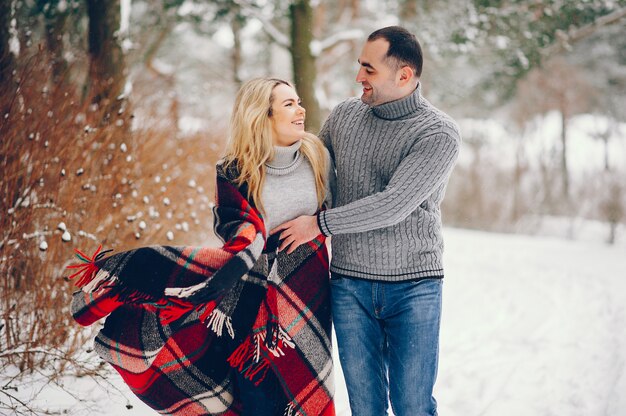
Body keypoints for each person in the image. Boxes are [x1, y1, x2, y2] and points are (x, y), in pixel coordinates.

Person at [69, 78, 335, 416]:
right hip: (247, 302)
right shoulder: (234, 171)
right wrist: (248, 245)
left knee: (304, 394)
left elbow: (334, 214)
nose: (301, 110)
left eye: (298, 102)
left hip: (307, 295)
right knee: (257, 400)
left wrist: (316, 225)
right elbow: (231, 228)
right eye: (289, 104)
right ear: (262, 116)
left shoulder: (318, 158)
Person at [271, 27, 461, 416]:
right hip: (350, 286)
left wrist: (319, 224)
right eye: (360, 65)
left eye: (369, 69)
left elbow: (393, 204)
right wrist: (243, 181)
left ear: (403, 75)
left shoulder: (438, 133)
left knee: (411, 405)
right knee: (365, 408)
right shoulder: (344, 115)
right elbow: (310, 173)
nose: (358, 76)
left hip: (414, 287)